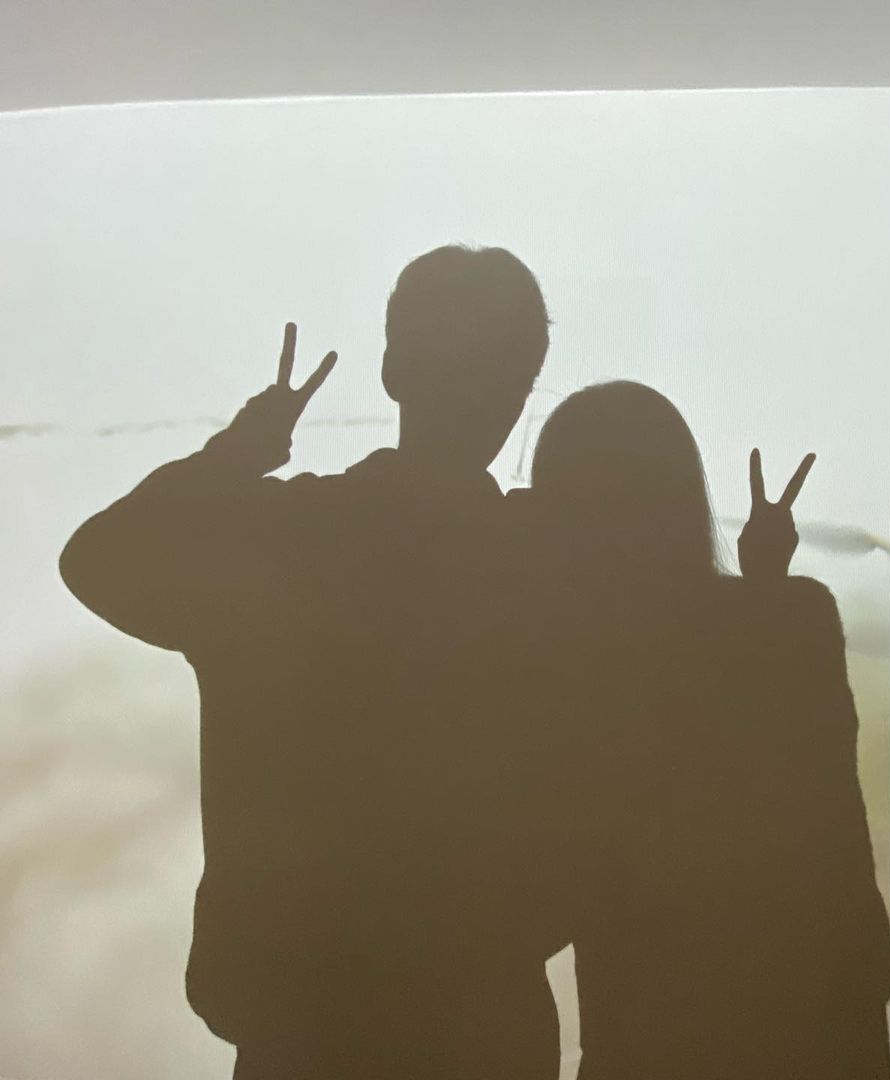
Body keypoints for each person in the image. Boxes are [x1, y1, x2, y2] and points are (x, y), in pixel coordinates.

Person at [59, 245, 562, 1079]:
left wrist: (236, 454)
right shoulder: (544, 568)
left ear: (393, 369)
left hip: (301, 1020)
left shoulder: (281, 539)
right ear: (521, 392)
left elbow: (98, 558)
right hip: (481, 1018)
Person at [521, 380, 890, 1079]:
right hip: (822, 1017)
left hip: (654, 1033)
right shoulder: (796, 620)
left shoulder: (578, 673)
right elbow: (820, 798)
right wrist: (767, 584)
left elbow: (552, 897)